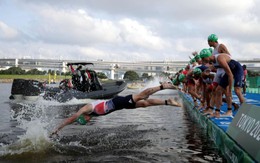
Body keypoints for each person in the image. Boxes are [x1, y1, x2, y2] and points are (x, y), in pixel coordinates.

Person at [50, 83, 182, 136]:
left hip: (118, 102)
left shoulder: (87, 108)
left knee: (143, 95)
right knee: (145, 104)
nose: (88, 120)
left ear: (83, 116)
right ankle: (167, 102)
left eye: (85, 120)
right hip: (121, 106)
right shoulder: (90, 115)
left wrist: (57, 129)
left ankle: (163, 86)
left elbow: (71, 119)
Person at [199, 48, 244, 118]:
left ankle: (244, 110)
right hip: (230, 70)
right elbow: (215, 67)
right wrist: (207, 70)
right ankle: (217, 112)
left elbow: (230, 75)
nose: (202, 60)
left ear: (208, 56)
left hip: (237, 69)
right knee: (218, 90)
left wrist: (229, 89)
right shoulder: (213, 61)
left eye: (203, 58)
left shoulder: (219, 59)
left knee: (237, 90)